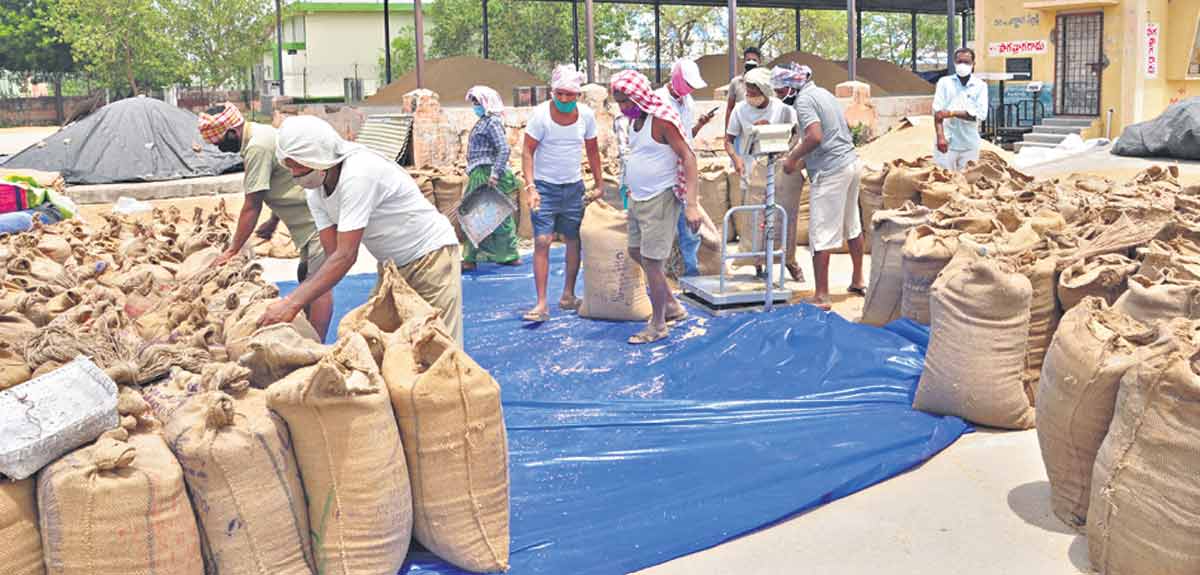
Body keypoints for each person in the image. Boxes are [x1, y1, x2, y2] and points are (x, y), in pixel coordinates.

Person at [259, 115, 464, 344]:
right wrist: (302, 296)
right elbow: (333, 254)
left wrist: (291, 303)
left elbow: (346, 256)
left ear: (319, 158)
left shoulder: (358, 173)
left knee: (436, 344)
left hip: (431, 257)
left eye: (299, 166)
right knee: (376, 340)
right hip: (391, 266)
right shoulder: (315, 188)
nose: (295, 175)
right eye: (290, 168)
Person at [198, 103, 334, 340]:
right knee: (307, 277)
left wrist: (232, 250)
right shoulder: (262, 134)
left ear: (232, 132)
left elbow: (252, 205)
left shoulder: (257, 147)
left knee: (318, 284)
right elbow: (285, 180)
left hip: (315, 220)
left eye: (219, 142)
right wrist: (273, 220)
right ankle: (311, 335)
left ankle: (318, 346)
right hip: (307, 220)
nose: (218, 148)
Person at [609, 70, 701, 344]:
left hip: (660, 198)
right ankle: (671, 305)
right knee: (635, 251)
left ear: (639, 97)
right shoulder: (635, 123)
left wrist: (692, 204)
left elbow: (688, 156)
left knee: (652, 262)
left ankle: (659, 323)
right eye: (619, 102)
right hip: (639, 198)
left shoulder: (661, 120)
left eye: (626, 101)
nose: (623, 107)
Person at [521, 64, 603, 323]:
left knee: (573, 240)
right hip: (545, 187)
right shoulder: (541, 115)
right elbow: (527, 151)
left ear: (577, 95)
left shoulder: (586, 116)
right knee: (543, 241)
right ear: (552, 92)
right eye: (560, 94)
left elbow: (592, 151)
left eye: (570, 95)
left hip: (573, 187)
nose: (565, 99)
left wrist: (599, 184)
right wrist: (531, 187)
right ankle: (542, 303)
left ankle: (568, 295)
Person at [780, 64, 866, 310]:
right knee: (852, 224)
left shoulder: (804, 101)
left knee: (821, 232)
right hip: (850, 162)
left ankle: (821, 295)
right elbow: (834, 132)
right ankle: (858, 279)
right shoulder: (823, 93)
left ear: (790, 87)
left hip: (832, 171)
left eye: (779, 91)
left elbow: (815, 136)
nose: (778, 96)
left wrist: (792, 158)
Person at [724, 66, 803, 281]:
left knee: (782, 219)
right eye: (747, 93)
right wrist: (737, 159)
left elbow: (796, 136)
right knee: (756, 221)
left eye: (754, 93)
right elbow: (729, 141)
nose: (750, 97)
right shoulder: (740, 110)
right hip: (752, 173)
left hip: (778, 173)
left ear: (765, 91)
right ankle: (758, 265)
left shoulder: (782, 109)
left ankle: (789, 260)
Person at [655, 58, 713, 277]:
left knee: (690, 230)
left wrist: (699, 125)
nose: (689, 89)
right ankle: (660, 279)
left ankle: (691, 274)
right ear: (676, 79)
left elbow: (687, 138)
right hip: (662, 175)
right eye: (687, 84)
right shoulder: (658, 101)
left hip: (682, 174)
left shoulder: (688, 102)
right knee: (660, 232)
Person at [462, 85, 520, 270]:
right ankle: (505, 255)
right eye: (473, 102)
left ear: (487, 103)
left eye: (477, 102)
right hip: (480, 172)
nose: (475, 106)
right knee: (483, 215)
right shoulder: (484, 121)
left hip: (487, 173)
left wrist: (494, 174)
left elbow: (504, 148)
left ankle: (474, 258)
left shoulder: (492, 122)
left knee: (480, 215)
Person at [933, 47, 988, 171]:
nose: (962, 65)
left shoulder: (980, 86)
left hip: (969, 143)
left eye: (966, 62)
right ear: (954, 63)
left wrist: (952, 113)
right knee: (944, 179)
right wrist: (940, 137)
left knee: (967, 180)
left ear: (973, 64)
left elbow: (981, 115)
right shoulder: (944, 83)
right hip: (947, 143)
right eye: (959, 61)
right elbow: (938, 113)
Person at [724, 46, 763, 135]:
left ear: (759, 62)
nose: (751, 62)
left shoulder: (765, 83)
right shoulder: (735, 82)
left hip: (759, 130)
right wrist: (727, 134)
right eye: (748, 59)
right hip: (740, 130)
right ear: (743, 62)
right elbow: (730, 108)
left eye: (754, 60)